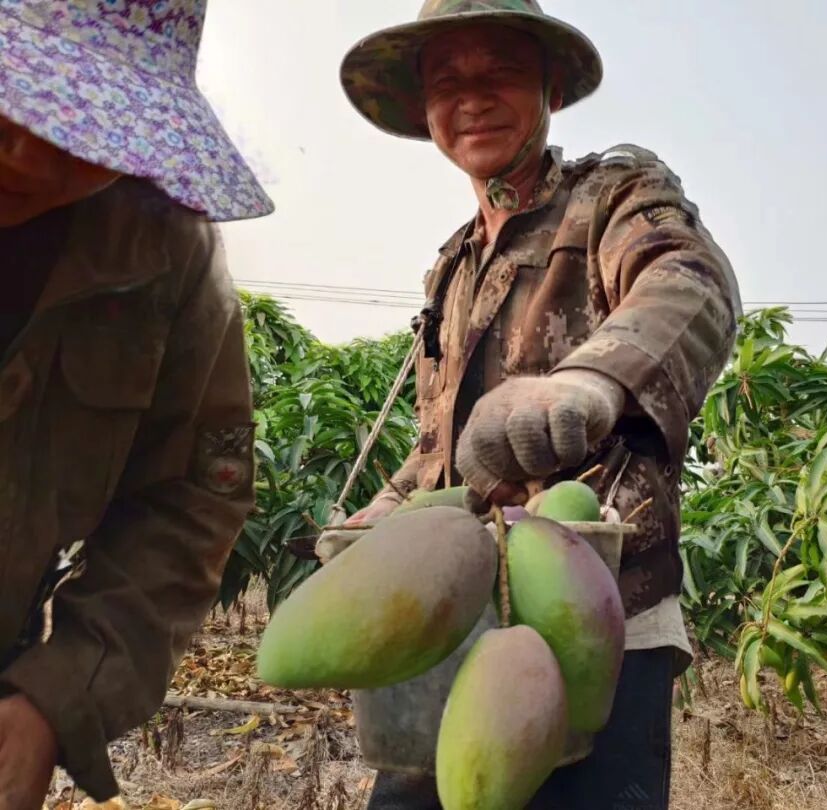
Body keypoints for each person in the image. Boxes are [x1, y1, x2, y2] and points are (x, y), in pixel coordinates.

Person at [334, 2, 742, 808]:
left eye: (501, 73)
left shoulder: (615, 195)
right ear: (424, 108)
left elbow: (689, 281)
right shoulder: (453, 266)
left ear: (551, 86)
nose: (473, 97)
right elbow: (440, 444)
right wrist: (378, 515)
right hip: (456, 625)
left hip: (602, 619)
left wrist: (588, 383)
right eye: (447, 80)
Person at [0, 1, 272, 807]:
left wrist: (56, 696)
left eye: (82, 125)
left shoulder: (162, 257)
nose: (31, 148)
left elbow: (189, 498)